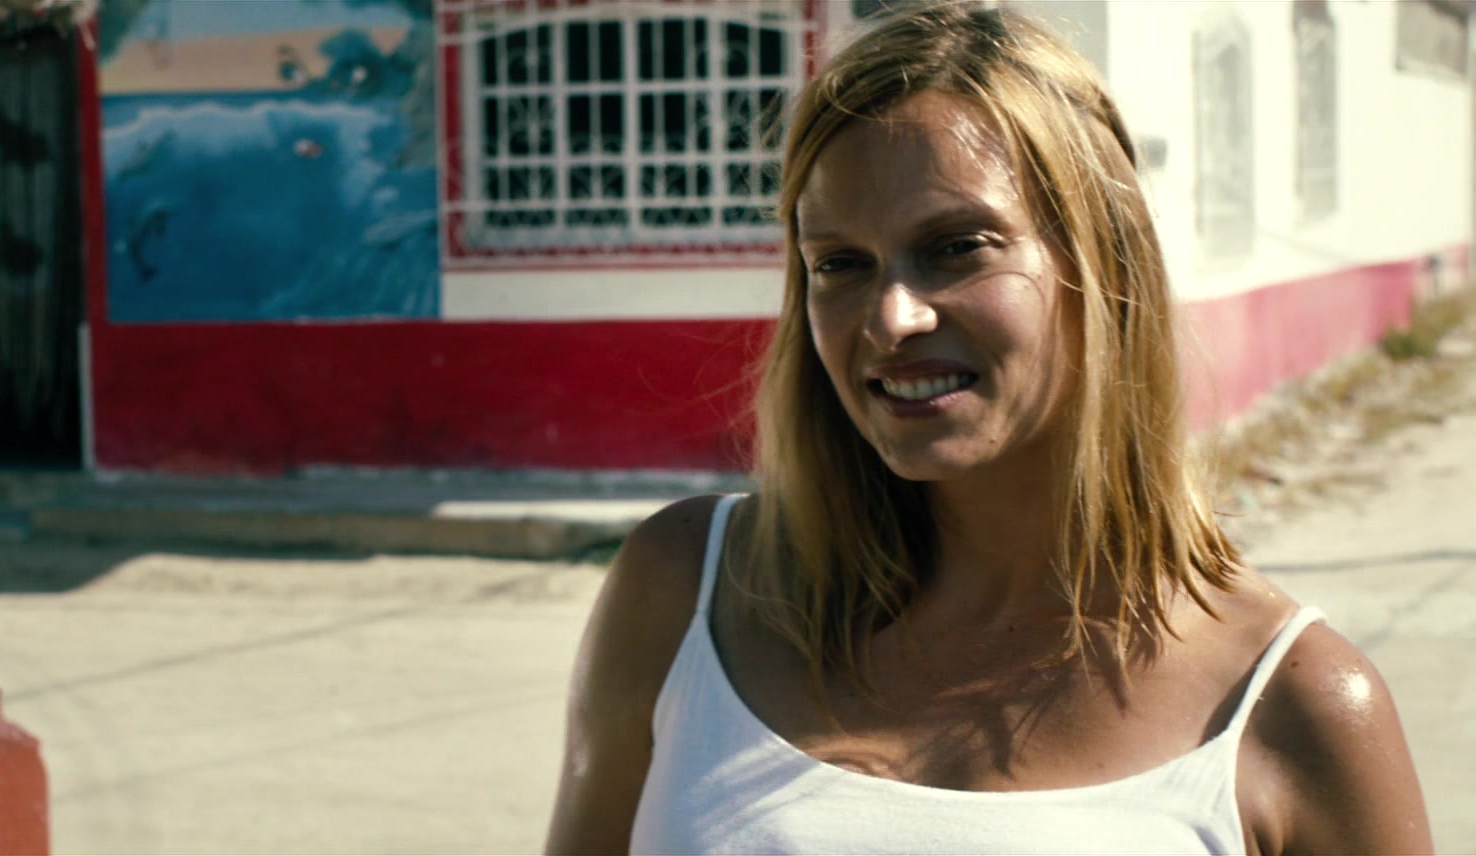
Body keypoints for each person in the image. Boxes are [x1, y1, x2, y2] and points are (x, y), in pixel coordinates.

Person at [542, 4, 1432, 854]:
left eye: (957, 247)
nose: (891, 318)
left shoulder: (1292, 704)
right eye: (840, 264)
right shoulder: (687, 592)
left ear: (1105, 265)